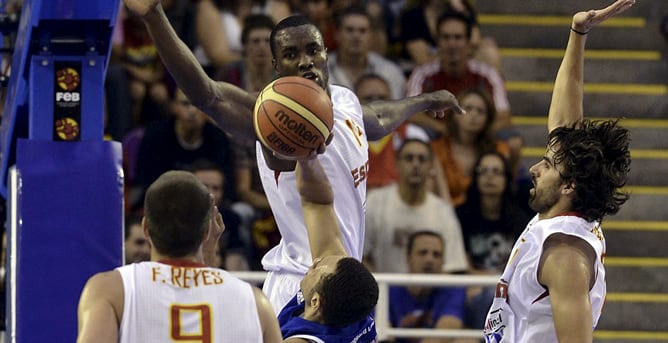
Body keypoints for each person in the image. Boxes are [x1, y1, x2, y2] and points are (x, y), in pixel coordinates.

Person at [123, 0, 462, 314]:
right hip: (301, 284)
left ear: (326, 53)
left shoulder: (344, 100)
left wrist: (426, 100)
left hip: (343, 278)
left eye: (312, 50)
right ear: (276, 64)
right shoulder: (271, 117)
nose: (304, 61)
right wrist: (154, 16)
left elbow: (376, 118)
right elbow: (207, 94)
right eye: (291, 54)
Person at [483, 1, 634, 342]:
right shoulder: (571, 207)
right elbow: (564, 122)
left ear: (568, 186)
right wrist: (578, 33)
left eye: (548, 165)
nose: (535, 168)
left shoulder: (565, 256)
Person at [76, 171, 282, 343]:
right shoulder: (255, 302)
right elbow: (203, 291)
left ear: (146, 228)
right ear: (206, 231)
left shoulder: (110, 289)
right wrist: (208, 255)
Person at [278, 157, 379, 342]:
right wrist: (307, 159)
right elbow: (318, 203)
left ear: (315, 302)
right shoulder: (347, 304)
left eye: (316, 270)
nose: (315, 261)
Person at [365, 139, 468, 274]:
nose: (415, 164)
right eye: (409, 158)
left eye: (422, 159)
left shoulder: (443, 211)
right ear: (396, 164)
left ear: (431, 166)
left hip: (429, 292)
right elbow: (360, 255)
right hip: (382, 291)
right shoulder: (376, 201)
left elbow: (452, 266)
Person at [389, 231, 467, 343]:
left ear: (443, 261)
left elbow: (447, 330)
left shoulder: (453, 288)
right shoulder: (389, 289)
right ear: (408, 257)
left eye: (436, 254)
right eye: (422, 253)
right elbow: (381, 333)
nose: (430, 260)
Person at [327, 5, 406, 100]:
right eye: (349, 30)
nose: (356, 36)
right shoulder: (321, 71)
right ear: (337, 35)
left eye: (362, 31)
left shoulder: (390, 72)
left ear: (371, 36)